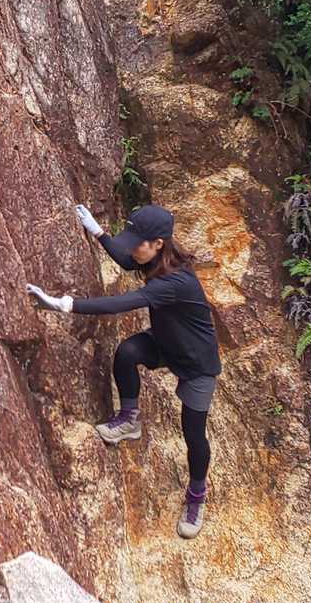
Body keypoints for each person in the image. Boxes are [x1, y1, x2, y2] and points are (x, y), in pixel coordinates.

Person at [27, 201, 220, 539]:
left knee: (193, 434)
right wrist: (98, 232)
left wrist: (65, 304)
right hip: (165, 342)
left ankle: (196, 496)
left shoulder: (175, 281)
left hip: (197, 363)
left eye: (136, 244)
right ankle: (129, 420)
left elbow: (122, 303)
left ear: (158, 244)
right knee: (127, 352)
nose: (132, 250)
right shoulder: (155, 259)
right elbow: (126, 259)